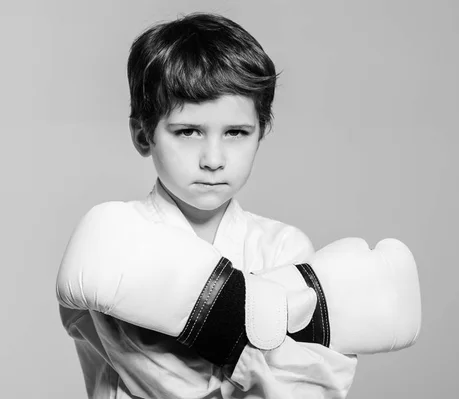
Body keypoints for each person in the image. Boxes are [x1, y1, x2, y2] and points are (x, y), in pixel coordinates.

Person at [57, 12, 421, 399]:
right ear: (143, 134)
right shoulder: (114, 241)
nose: (213, 158)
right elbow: (162, 379)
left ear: (261, 132)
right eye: (188, 131)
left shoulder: (283, 245)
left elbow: (305, 389)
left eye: (235, 133)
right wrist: (270, 324)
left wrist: (246, 325)